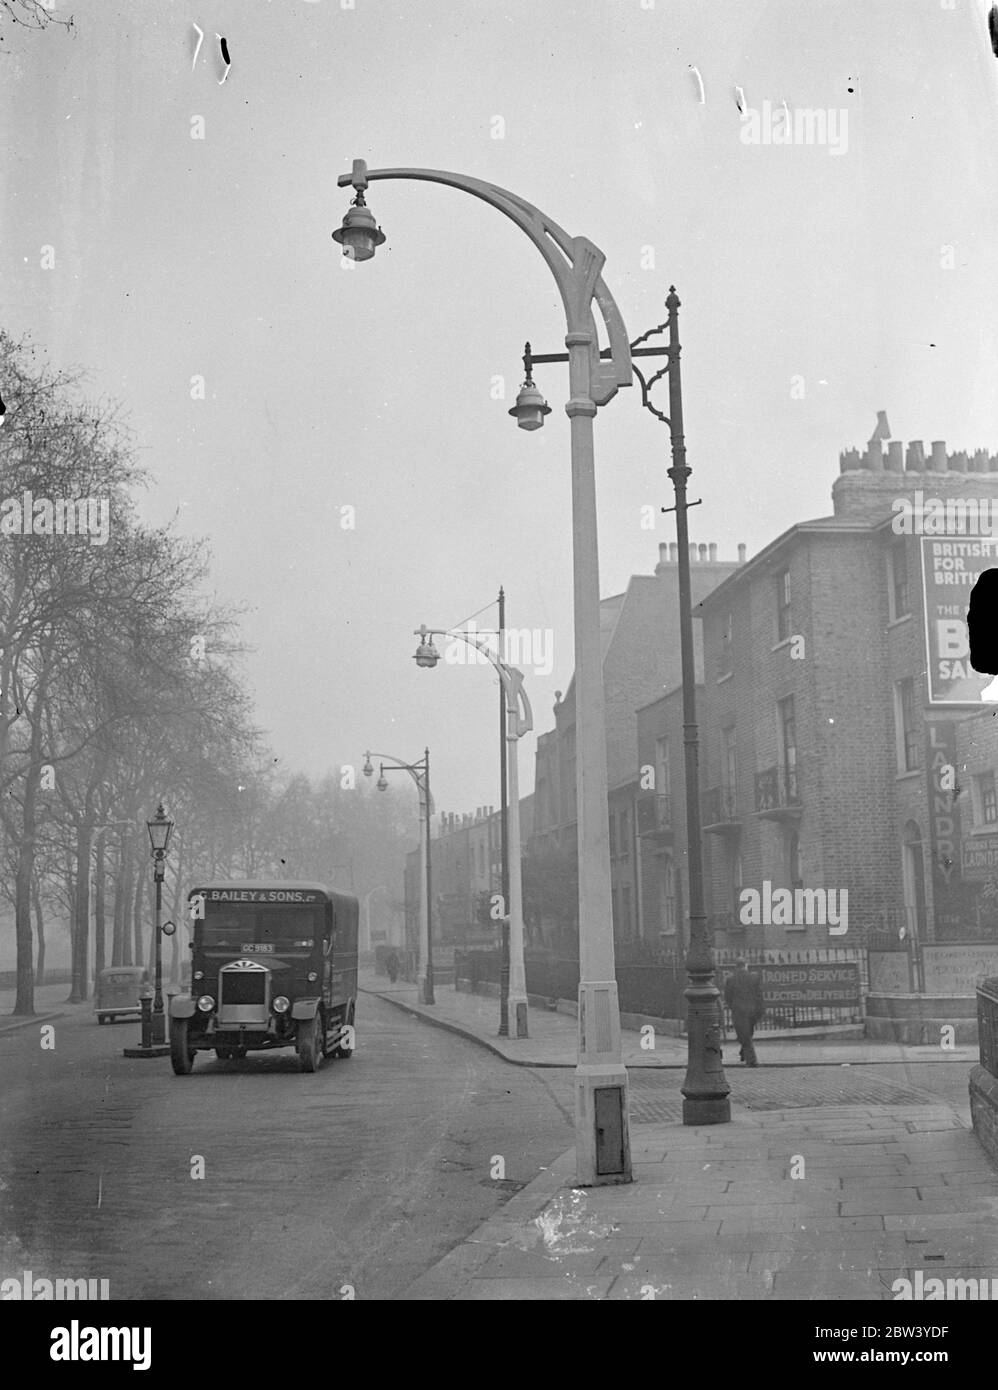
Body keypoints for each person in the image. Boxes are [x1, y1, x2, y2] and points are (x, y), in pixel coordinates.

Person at [723, 959, 764, 1067]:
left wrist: (734, 1006)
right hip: (752, 1010)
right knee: (747, 1033)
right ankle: (744, 1053)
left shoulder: (730, 979)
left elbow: (727, 997)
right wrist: (758, 1009)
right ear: (746, 966)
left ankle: (752, 1060)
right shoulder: (754, 978)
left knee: (743, 1034)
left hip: (739, 1010)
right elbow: (759, 995)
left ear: (736, 967)